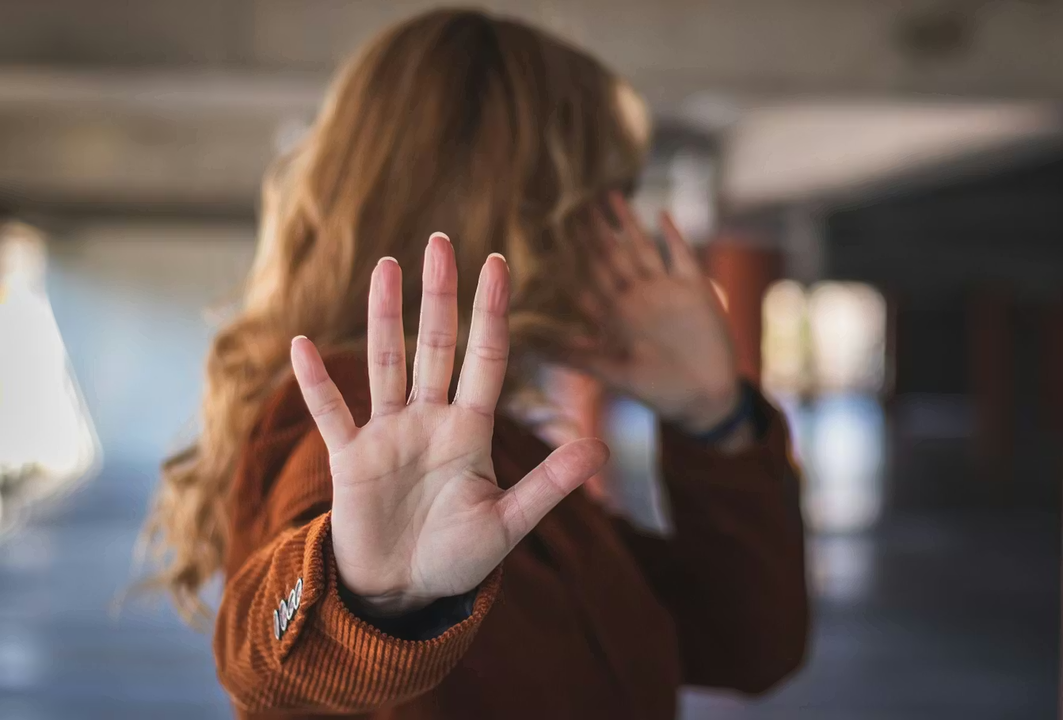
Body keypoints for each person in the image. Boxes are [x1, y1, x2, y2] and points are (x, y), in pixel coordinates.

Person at [144, 8, 808, 719]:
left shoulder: (492, 444)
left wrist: (713, 418)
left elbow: (742, 646)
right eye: (607, 194)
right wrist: (370, 598)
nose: (624, 232)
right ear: (534, 209)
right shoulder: (361, 416)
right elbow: (270, 674)